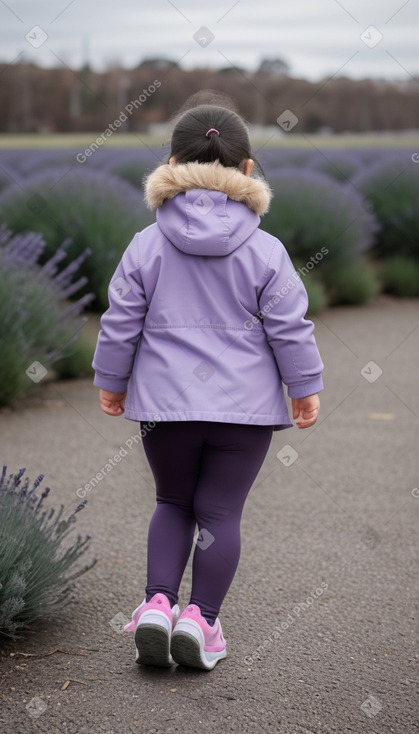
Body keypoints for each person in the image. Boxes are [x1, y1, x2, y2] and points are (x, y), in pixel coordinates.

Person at [92, 100, 324, 671]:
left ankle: (156, 604)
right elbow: (289, 327)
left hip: (164, 408)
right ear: (247, 170)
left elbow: (120, 320)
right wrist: (304, 386)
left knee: (172, 502)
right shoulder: (267, 251)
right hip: (241, 415)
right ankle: (202, 620)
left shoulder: (145, 244)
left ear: (171, 163)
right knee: (220, 514)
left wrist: (111, 380)